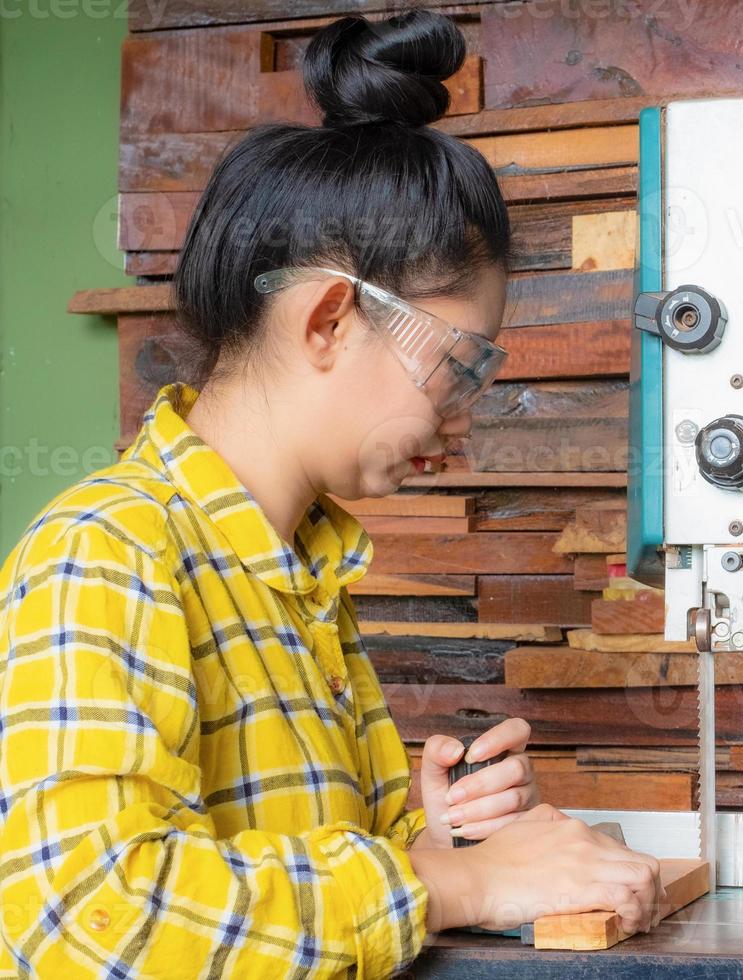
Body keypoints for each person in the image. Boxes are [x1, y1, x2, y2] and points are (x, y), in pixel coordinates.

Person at [0, 9, 664, 977]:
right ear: (327, 319)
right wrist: (463, 886)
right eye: (457, 363)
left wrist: (427, 839)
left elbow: (271, 883)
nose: (461, 417)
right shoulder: (105, 548)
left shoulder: (301, 571)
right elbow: (90, 914)